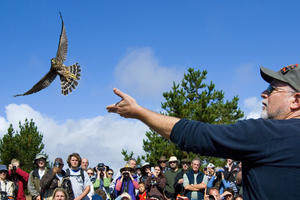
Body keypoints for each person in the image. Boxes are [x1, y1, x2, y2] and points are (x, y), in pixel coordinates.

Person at [106, 64, 300, 199]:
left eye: (272, 89)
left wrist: (139, 112)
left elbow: (197, 135)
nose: (263, 93)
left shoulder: (267, 134)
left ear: (296, 100)